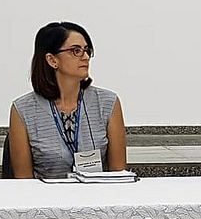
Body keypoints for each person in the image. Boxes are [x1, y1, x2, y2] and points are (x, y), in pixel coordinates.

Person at [9, 21, 126, 178]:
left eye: (87, 50)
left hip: (97, 192)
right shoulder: (23, 110)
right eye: (76, 51)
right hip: (46, 193)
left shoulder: (108, 103)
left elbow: (119, 175)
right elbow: (24, 182)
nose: (86, 57)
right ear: (52, 60)